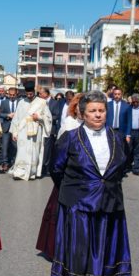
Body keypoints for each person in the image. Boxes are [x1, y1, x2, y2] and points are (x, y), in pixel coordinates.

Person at [49, 91, 132, 276]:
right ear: (83, 113)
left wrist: (106, 185)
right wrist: (78, 190)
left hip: (110, 204)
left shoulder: (117, 137)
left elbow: (124, 166)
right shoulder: (70, 138)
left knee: (108, 254)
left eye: (101, 110)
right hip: (79, 208)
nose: (98, 115)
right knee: (80, 255)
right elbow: (56, 169)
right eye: (93, 111)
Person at [36, 93, 82, 260]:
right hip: (68, 178)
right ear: (75, 108)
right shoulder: (70, 124)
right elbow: (60, 153)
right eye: (80, 106)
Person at [9, 81, 52, 180]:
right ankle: (20, 173)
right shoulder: (21, 102)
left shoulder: (42, 102)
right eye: (27, 94)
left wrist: (39, 117)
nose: (29, 96)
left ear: (34, 92)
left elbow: (48, 118)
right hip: (23, 132)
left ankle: (32, 173)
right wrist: (14, 132)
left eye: (31, 94)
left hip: (36, 132)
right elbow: (16, 118)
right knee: (21, 152)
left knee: (34, 152)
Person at [40, 87, 62, 176]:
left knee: (47, 149)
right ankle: (40, 166)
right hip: (40, 128)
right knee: (41, 148)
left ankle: (46, 168)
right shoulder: (40, 102)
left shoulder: (55, 103)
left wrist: (45, 119)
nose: (39, 95)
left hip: (50, 129)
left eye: (41, 93)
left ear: (46, 93)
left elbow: (56, 115)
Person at [0, 87, 19, 172]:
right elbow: (0, 113)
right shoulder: (4, 102)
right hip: (6, 127)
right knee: (5, 146)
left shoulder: (20, 102)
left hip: (17, 128)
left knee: (16, 146)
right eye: (10, 95)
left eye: (14, 95)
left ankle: (15, 162)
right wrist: (8, 115)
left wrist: (16, 115)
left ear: (16, 94)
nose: (12, 96)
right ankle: (5, 163)